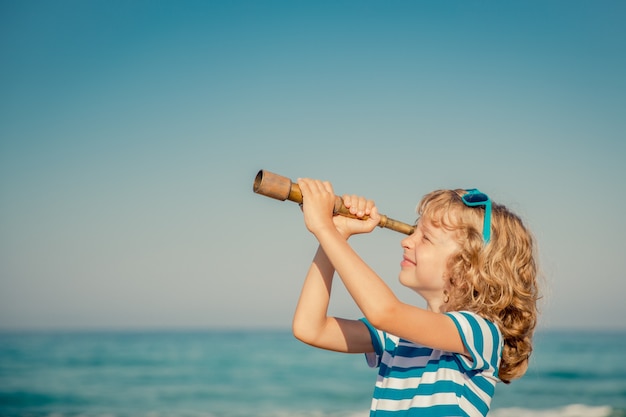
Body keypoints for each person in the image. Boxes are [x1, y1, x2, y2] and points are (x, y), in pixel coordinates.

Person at [292, 178, 539, 417]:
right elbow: (310, 328)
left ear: (470, 268)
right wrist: (335, 234)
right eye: (414, 230)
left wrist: (325, 229)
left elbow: (384, 312)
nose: (406, 241)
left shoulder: (481, 332)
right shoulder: (398, 337)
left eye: (426, 238)